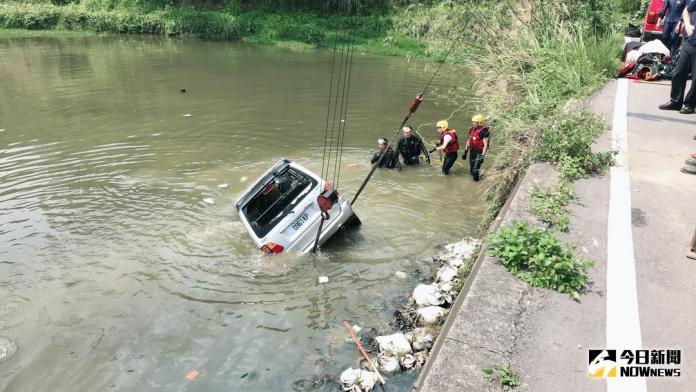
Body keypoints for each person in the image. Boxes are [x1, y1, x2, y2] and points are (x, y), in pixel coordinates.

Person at [660, 0, 696, 114]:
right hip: (690, 42)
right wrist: (688, 25)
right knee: (678, 72)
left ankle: (690, 104)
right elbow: (686, 10)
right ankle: (675, 102)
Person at [464, 114, 490, 182]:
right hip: (472, 150)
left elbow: (485, 145)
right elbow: (469, 140)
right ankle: (471, 183)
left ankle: (476, 182)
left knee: (475, 169)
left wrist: (482, 156)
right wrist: (466, 151)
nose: (473, 123)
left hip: (479, 152)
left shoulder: (484, 132)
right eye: (473, 122)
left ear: (479, 122)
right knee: (471, 169)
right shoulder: (472, 129)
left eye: (474, 122)